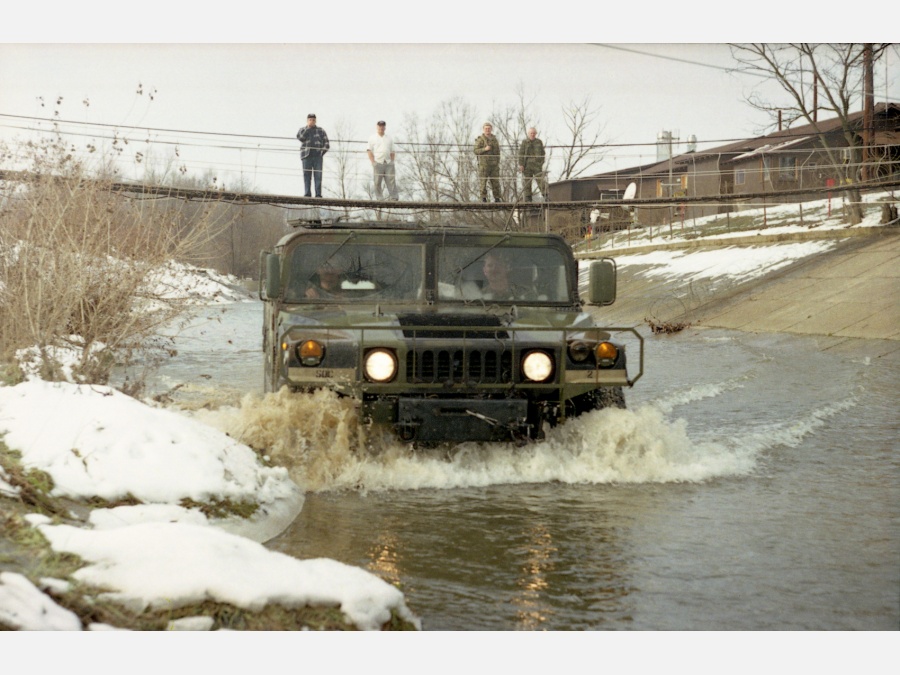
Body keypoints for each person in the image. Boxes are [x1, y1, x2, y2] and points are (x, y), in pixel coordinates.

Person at [296, 114, 330, 198]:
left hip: (317, 156)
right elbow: (300, 138)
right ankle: (307, 193)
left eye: (313, 120)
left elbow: (326, 143)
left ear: (316, 121)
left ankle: (318, 194)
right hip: (306, 155)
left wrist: (322, 152)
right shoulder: (302, 129)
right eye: (310, 120)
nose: (312, 121)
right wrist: (308, 129)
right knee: (307, 175)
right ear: (307, 121)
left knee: (318, 175)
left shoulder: (321, 130)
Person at [367, 120, 399, 200]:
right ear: (377, 127)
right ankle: (379, 198)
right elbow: (369, 150)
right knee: (377, 182)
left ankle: (394, 198)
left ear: (385, 127)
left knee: (391, 180)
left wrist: (392, 161)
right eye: (380, 126)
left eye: (383, 126)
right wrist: (373, 162)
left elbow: (392, 150)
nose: (381, 128)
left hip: (388, 162)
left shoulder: (389, 138)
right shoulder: (372, 138)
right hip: (378, 162)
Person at [474, 122, 502, 202]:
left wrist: (497, 162)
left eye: (489, 128)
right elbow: (475, 150)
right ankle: (483, 198)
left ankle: (497, 198)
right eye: (486, 128)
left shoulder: (494, 139)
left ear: (491, 129)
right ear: (483, 129)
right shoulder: (480, 139)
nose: (487, 130)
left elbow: (498, 152)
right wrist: (484, 149)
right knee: (483, 182)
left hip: (494, 165)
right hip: (484, 165)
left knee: (495, 182)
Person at [518, 127, 546, 202]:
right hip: (527, 165)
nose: (532, 134)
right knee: (527, 181)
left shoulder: (539, 142)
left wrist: (541, 162)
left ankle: (545, 195)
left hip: (537, 165)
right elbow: (521, 153)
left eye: (534, 133)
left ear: (536, 134)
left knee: (540, 180)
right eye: (531, 133)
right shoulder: (524, 142)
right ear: (528, 134)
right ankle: (528, 197)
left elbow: (543, 153)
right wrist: (521, 164)